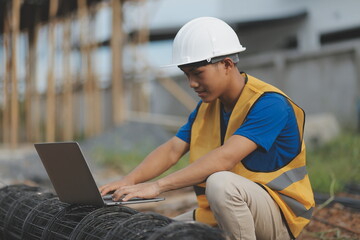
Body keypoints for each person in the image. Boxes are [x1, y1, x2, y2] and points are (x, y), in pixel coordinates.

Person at [99, 17, 315, 240]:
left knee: (220, 183)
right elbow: (173, 150)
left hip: (279, 217)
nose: (191, 83)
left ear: (227, 65)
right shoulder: (207, 108)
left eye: (198, 73)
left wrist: (157, 186)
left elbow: (224, 159)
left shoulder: (269, 104)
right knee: (157, 234)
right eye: (186, 74)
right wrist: (129, 181)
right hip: (222, 214)